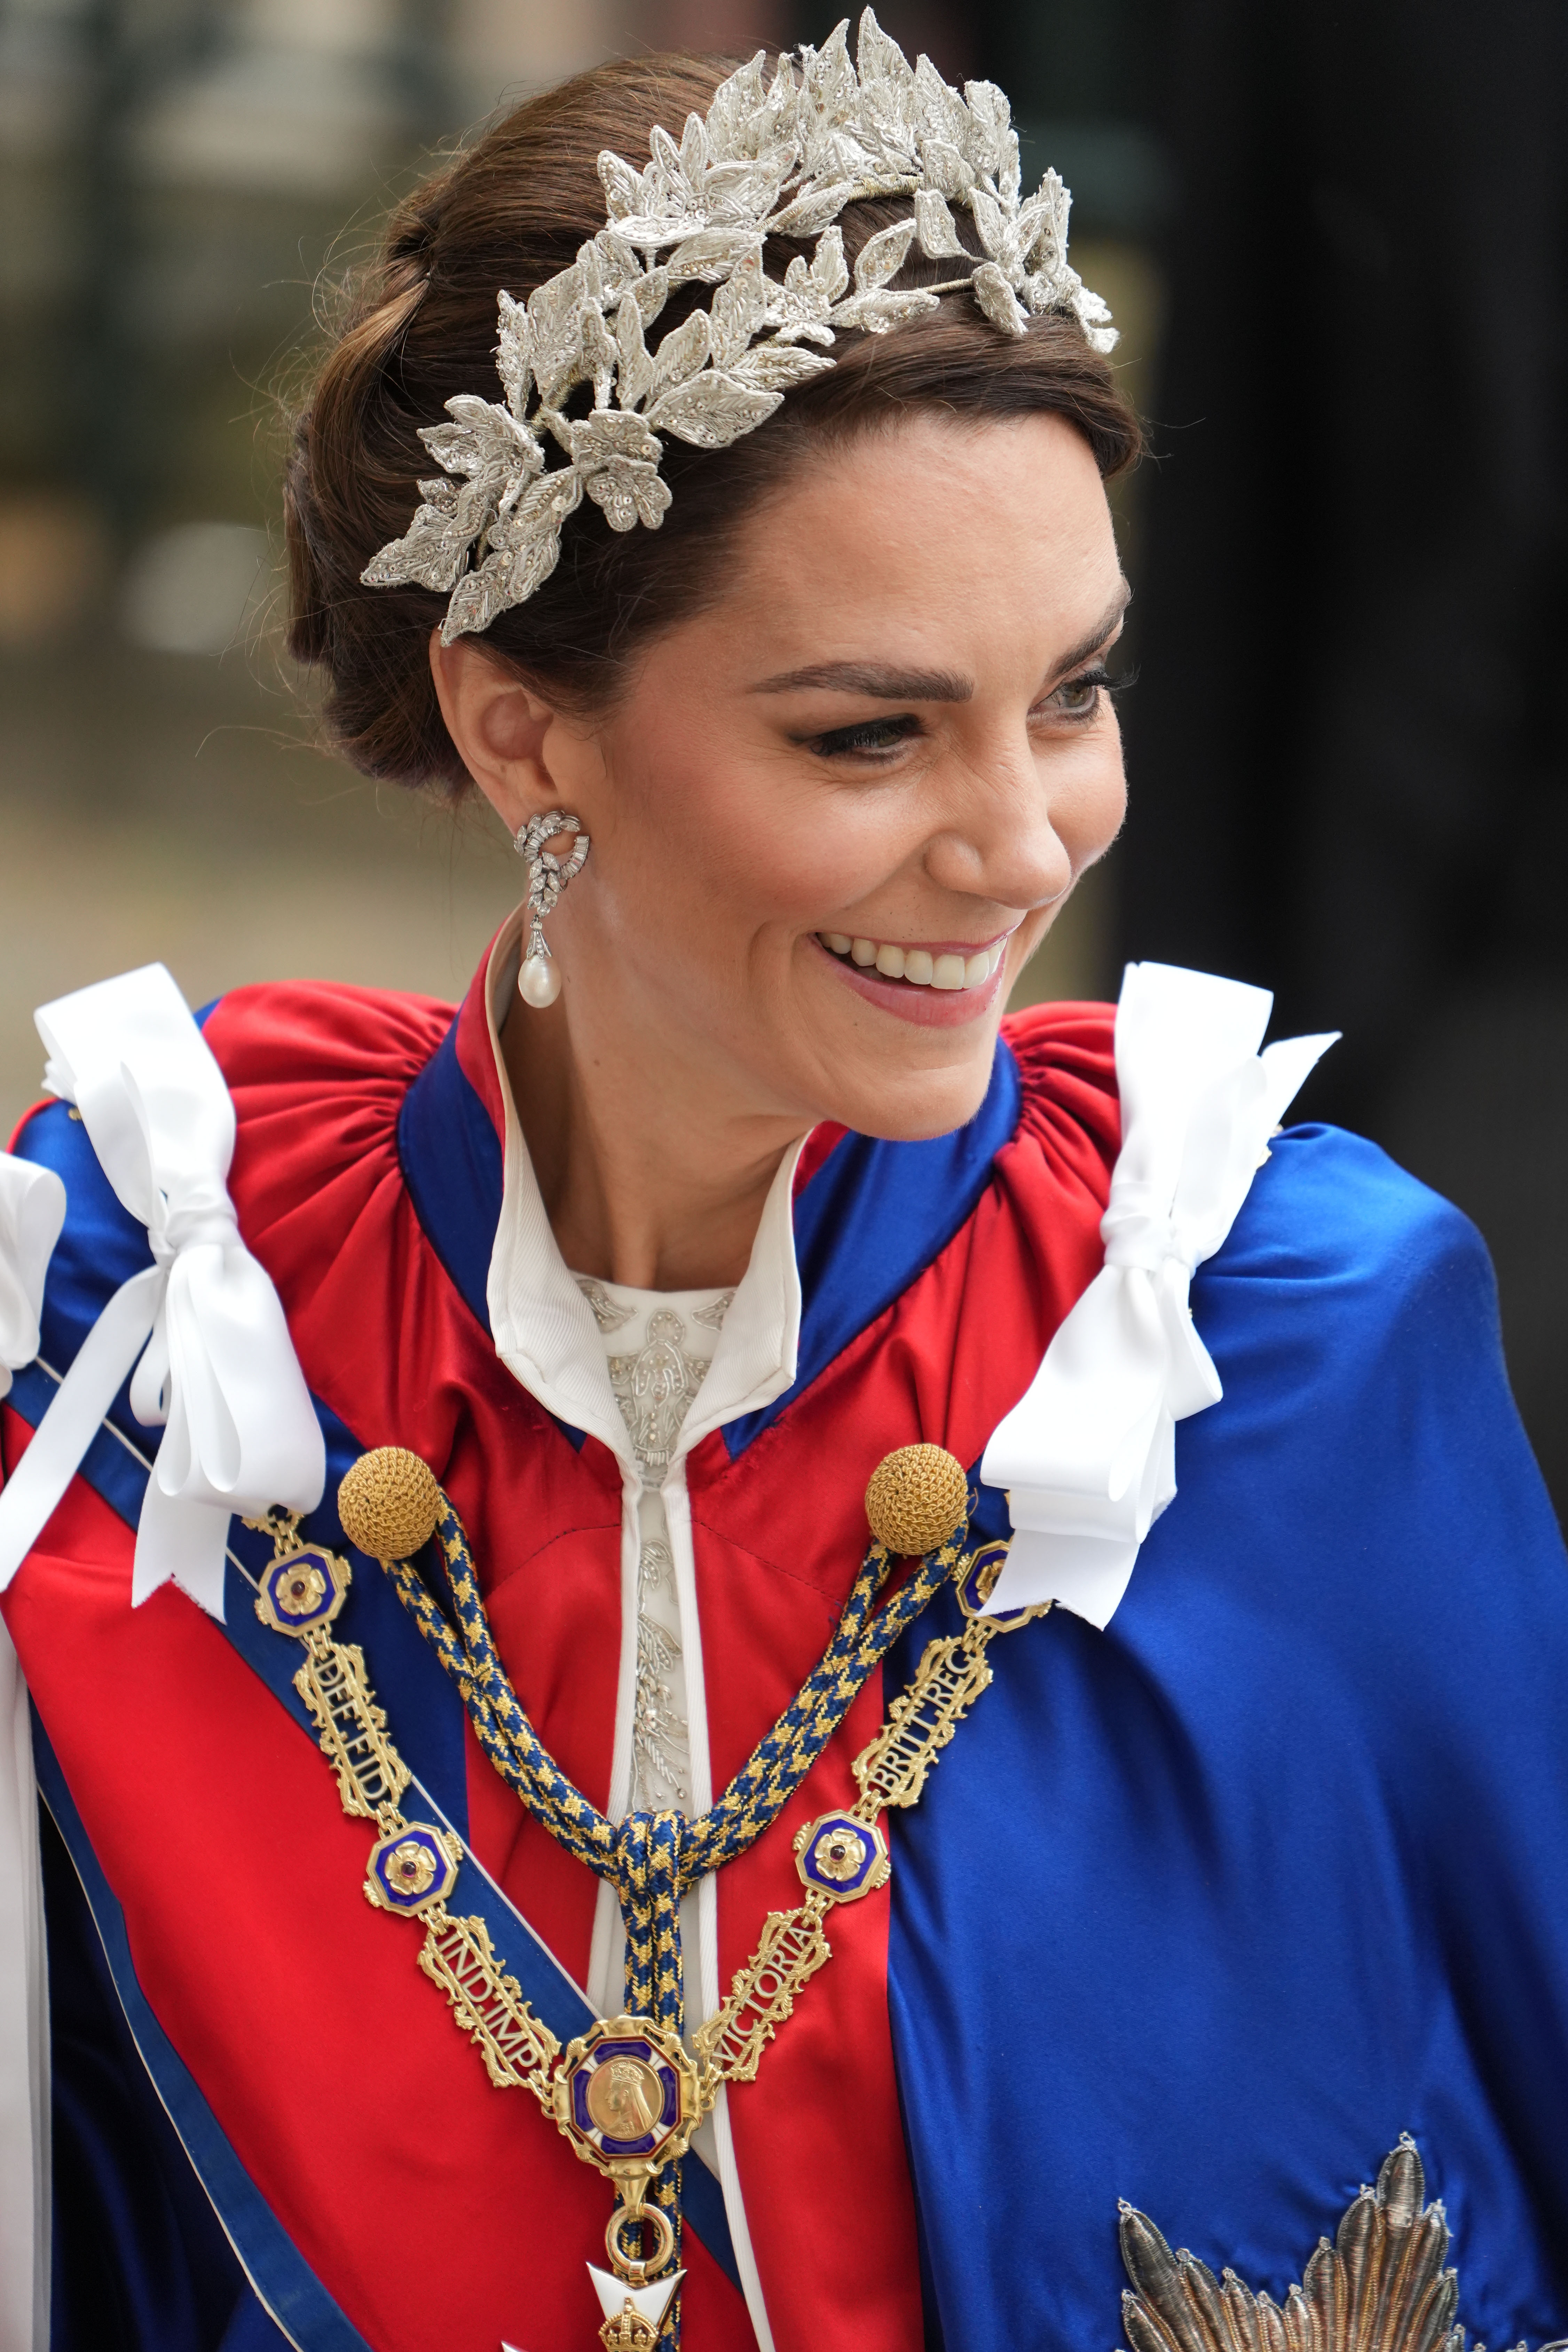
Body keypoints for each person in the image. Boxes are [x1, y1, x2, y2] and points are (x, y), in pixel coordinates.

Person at [1, 20, 1566, 2352]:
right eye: (871, 731)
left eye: (1075, 691)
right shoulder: (149, 1340)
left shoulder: (1284, 1328)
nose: (1025, 842)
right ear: (517, 722)